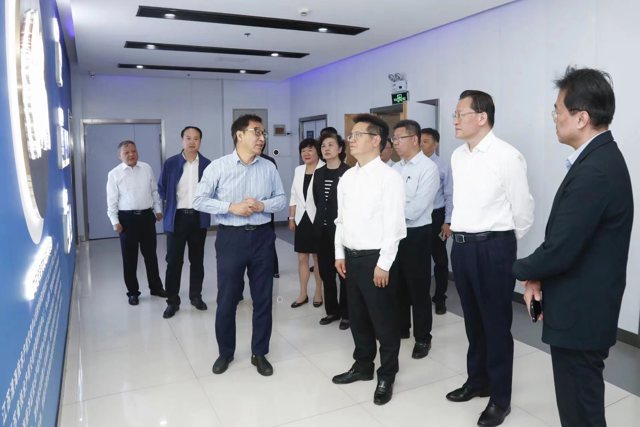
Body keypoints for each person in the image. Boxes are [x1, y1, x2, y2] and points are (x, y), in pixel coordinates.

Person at [513, 67, 633, 427]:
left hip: (582, 314)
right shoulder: (597, 159)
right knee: (578, 406)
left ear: (581, 118)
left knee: (581, 411)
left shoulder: (596, 169)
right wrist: (536, 277)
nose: (555, 118)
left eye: (557, 111)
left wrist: (515, 268)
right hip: (582, 308)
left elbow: (562, 248)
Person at [446, 90, 534, 427]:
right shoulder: (457, 156)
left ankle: (500, 398)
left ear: (481, 117)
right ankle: (477, 381)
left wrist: (502, 244)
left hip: (494, 247)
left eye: (461, 113)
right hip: (462, 247)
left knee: (496, 325)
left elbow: (523, 210)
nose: (455, 120)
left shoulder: (506, 156)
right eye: (455, 114)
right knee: (472, 321)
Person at [193, 114, 286, 377]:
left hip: (262, 238)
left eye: (263, 133)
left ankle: (260, 353)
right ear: (240, 135)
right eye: (256, 132)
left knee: (263, 299)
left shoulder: (268, 167)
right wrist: (230, 207)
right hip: (231, 239)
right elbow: (199, 200)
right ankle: (225, 352)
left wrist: (263, 205)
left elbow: (281, 199)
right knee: (227, 299)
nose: (262, 137)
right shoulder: (218, 167)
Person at [332, 114, 406, 406]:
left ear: (376, 140)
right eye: (350, 135)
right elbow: (340, 220)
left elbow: (395, 227)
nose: (350, 140)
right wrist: (339, 253)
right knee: (358, 317)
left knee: (384, 321)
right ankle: (363, 365)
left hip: (376, 260)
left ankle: (386, 374)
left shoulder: (389, 178)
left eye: (357, 135)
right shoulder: (348, 177)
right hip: (350, 258)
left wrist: (384, 264)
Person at [391, 119, 439, 358]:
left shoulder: (428, 168)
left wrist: (391, 212)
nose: (395, 143)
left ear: (414, 139)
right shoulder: (394, 168)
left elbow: (417, 208)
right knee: (397, 283)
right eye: (394, 139)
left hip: (417, 234)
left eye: (399, 138)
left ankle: (423, 338)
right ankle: (402, 328)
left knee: (418, 288)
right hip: (395, 233)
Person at [158, 126, 211, 319]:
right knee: (173, 261)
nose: (192, 142)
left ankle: (196, 297)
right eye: (188, 138)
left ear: (200, 142)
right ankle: (172, 301)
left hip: (198, 218)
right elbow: (162, 188)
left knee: (197, 260)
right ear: (182, 140)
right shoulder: (171, 163)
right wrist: (172, 203)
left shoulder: (207, 164)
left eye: (196, 138)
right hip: (176, 218)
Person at [106, 140, 166, 305]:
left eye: (133, 151)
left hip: (147, 217)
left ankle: (156, 287)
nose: (131, 154)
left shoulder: (146, 168)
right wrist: (115, 221)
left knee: (151, 256)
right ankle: (133, 292)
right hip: (127, 220)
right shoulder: (114, 174)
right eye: (126, 152)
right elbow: (112, 201)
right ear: (119, 156)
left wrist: (158, 210)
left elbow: (154, 191)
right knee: (130, 258)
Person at [313, 132, 350, 330]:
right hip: (322, 231)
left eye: (330, 145)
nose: (326, 149)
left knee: (344, 274)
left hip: (342, 231)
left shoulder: (349, 172)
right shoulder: (319, 173)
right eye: (323, 146)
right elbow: (318, 200)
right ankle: (332, 311)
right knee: (326, 273)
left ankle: (346, 313)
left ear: (340, 148)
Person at [420, 128, 453, 314]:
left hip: (437, 217)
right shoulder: (414, 164)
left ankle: (440, 297)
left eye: (425, 141)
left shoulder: (443, 166)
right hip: (419, 218)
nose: (421, 144)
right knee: (420, 260)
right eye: (420, 141)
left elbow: (449, 195)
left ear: (435, 144)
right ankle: (421, 297)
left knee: (440, 260)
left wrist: (448, 221)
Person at [289, 138, 324, 308]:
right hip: (301, 219)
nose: (306, 153)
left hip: (318, 220)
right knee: (302, 258)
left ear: (317, 151)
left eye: (310, 150)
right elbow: (294, 195)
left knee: (317, 258)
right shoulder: (298, 170)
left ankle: (318, 292)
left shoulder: (324, 169)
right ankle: (303, 293)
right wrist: (291, 218)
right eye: (303, 151)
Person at [260, 148, 280, 278]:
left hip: (266, 206)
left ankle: (274, 269)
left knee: (269, 238)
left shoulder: (269, 161)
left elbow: (274, 185)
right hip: (248, 207)